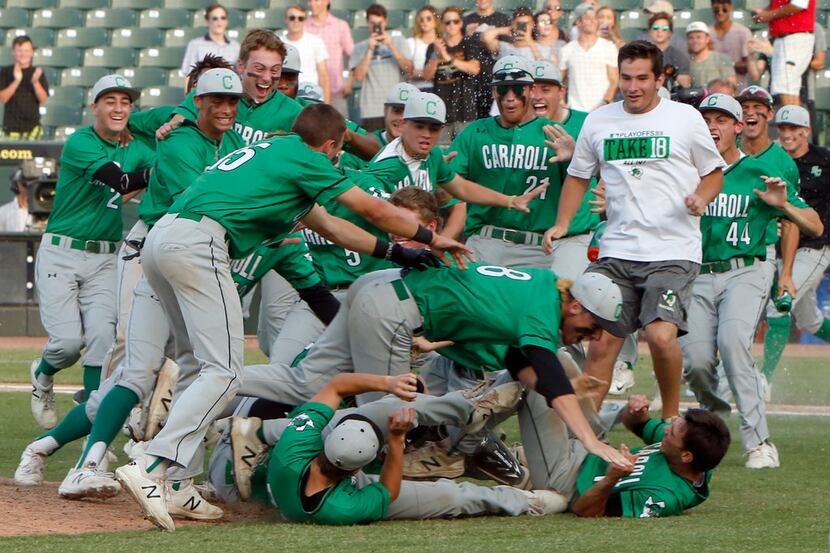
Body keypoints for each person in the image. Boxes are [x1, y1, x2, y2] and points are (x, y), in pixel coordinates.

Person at [112, 103, 471, 531]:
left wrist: (396, 250)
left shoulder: (276, 154)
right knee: (225, 371)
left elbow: (334, 229)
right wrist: (432, 237)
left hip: (164, 237)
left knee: (195, 364)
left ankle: (180, 484)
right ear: (333, 147)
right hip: (200, 241)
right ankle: (152, 464)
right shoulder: (307, 157)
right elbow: (373, 211)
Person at [14, 71, 247, 516]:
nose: (226, 106)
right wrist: (167, 136)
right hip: (143, 249)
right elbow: (148, 179)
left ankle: (153, 475)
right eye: (212, 95)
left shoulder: (222, 143)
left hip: (143, 254)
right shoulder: (167, 137)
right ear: (193, 96)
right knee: (131, 368)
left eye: (232, 98)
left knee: (165, 365)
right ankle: (94, 461)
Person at [544, 40, 727, 420]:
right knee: (600, 344)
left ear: (660, 79)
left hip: (673, 252)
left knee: (661, 336)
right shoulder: (599, 120)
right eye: (626, 78)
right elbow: (578, 177)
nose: (633, 87)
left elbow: (713, 174)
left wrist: (701, 198)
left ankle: (670, 421)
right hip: (617, 252)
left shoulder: (685, 119)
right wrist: (561, 224)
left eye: (643, 78)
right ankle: (585, 436)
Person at [681, 94, 821, 470]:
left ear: (738, 127)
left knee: (731, 342)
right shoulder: (684, 169)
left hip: (747, 269)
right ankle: (714, 413)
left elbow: (815, 225)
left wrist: (783, 204)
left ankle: (758, 442)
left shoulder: (759, 169)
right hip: (697, 273)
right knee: (695, 362)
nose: (713, 126)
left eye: (722, 119)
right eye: (707, 119)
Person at [239, 373, 567, 523]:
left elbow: (336, 385)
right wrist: (395, 443)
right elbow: (389, 491)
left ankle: (463, 412)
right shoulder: (342, 509)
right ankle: (524, 502)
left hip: (294, 473)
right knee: (451, 497)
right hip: (347, 491)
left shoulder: (295, 448)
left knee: (382, 408)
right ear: (357, 469)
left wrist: (388, 382)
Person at [28, 76, 156, 431]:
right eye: (110, 100)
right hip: (62, 251)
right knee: (67, 344)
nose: (118, 108)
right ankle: (42, 374)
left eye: (125, 102)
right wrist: (158, 168)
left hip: (104, 256)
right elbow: (123, 183)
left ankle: (92, 430)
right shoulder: (81, 141)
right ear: (94, 107)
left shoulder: (137, 148)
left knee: (103, 338)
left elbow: (165, 166)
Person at [570, 395, 731, 517]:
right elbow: (636, 424)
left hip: (570, 477)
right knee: (565, 366)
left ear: (686, 456)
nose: (666, 429)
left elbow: (584, 509)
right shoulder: (685, 451)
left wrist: (611, 479)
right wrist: (636, 410)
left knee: (548, 400)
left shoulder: (665, 497)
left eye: (672, 432)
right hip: (594, 447)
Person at [761, 106, 830, 386]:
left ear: (806, 131)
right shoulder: (773, 159)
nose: (786, 134)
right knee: (811, 321)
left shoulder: (824, 160)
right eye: (782, 129)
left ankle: (762, 381)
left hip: (814, 247)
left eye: (793, 129)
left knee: (779, 306)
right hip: (779, 248)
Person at [423, 7, 482, 145]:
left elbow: (474, 69)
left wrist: (448, 58)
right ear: (442, 24)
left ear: (461, 23)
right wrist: (435, 56)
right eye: (447, 22)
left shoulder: (469, 43)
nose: (451, 25)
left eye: (455, 21)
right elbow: (427, 75)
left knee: (467, 154)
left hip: (465, 111)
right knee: (442, 155)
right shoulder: (434, 47)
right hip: (442, 112)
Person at [350, 4, 413, 131]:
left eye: (379, 23)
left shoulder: (399, 41)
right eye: (372, 23)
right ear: (367, 23)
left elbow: (409, 69)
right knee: (373, 147)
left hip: (397, 106)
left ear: (385, 22)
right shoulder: (360, 47)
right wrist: (369, 50)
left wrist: (391, 46)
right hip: (371, 109)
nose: (376, 27)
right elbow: (358, 76)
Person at [752, 0, 816, 106]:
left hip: (794, 36)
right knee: (788, 89)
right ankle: (792, 121)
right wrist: (763, 12)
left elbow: (798, 5)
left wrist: (769, 14)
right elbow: (781, 4)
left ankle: (791, 122)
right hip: (785, 38)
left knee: (786, 90)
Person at [559, 4, 619, 112]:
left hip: (602, 110)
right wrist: (561, 101)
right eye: (588, 18)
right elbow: (558, 80)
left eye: (595, 18)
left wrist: (605, 102)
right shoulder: (566, 50)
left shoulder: (609, 47)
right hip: (574, 110)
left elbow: (614, 80)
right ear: (578, 22)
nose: (592, 21)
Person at [464, 0, 511, 120]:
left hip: (495, 75)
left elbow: (509, 49)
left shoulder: (503, 19)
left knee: (494, 117)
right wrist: (466, 35)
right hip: (471, 78)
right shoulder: (466, 20)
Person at [305, 0, 353, 116]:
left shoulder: (340, 26)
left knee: (342, 131)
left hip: (336, 92)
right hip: (309, 93)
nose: (312, 4)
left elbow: (353, 54)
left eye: (316, 0)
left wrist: (349, 81)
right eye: (310, 1)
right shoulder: (303, 26)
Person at [180, 4, 240, 89]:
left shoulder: (235, 46)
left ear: (227, 21)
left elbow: (239, 75)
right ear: (208, 21)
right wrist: (188, 99)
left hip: (228, 93)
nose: (219, 22)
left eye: (223, 18)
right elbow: (189, 76)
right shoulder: (195, 44)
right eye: (215, 18)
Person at [0, 35, 49, 139]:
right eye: (19, 51)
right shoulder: (5, 71)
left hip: (33, 129)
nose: (23, 54)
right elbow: (3, 98)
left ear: (32, 52)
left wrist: (35, 82)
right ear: (13, 52)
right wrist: (16, 80)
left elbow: (43, 99)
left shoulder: (37, 72)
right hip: (10, 128)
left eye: (27, 51)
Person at [281, 4, 330, 103]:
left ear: (305, 21)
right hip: (285, 96)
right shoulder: (278, 42)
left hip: (311, 96)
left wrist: (327, 104)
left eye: (300, 18)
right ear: (286, 19)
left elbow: (323, 75)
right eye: (292, 17)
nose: (296, 21)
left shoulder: (316, 41)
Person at [482, 7, 555, 63]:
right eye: (519, 23)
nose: (523, 26)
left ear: (533, 24)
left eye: (526, 23)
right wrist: (509, 29)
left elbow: (543, 67)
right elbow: (487, 36)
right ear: (513, 23)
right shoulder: (504, 47)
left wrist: (530, 42)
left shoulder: (544, 49)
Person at [709, 0, 751, 89]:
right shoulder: (707, 33)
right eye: (716, 10)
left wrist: (726, 65)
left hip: (738, 87)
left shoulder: (743, 32)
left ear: (730, 8)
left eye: (724, 9)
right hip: (713, 88)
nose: (720, 13)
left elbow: (748, 65)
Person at [647, 13, 691, 89]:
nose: (659, 31)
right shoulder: (642, 55)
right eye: (655, 28)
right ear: (650, 31)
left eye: (664, 28)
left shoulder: (679, 57)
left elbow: (686, 83)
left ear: (670, 33)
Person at [686, 22, 736, 89]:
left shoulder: (721, 59)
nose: (695, 41)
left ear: (707, 39)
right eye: (691, 38)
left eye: (699, 37)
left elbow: (732, 86)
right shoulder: (685, 62)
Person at [407, 6, 440, 92]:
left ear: (435, 21)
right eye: (421, 19)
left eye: (428, 18)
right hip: (416, 89)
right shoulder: (411, 43)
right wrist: (429, 74)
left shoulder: (442, 43)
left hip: (438, 90)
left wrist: (421, 73)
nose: (424, 22)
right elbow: (408, 73)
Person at [0, 161, 37, 232]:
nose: (29, 185)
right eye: (24, 183)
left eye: (32, 181)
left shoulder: (47, 214)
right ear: (16, 184)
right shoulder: (3, 212)